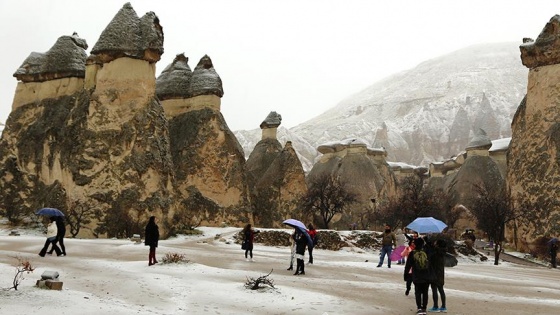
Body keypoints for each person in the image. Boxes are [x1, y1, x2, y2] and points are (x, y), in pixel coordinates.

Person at [404, 237, 433, 315]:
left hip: (417, 275)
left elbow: (408, 266)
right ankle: (424, 308)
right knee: (425, 292)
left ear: (415, 244)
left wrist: (406, 275)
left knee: (418, 292)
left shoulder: (412, 253)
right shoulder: (426, 252)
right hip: (426, 275)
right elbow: (430, 263)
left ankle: (419, 308)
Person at [428, 239, 447, 313]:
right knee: (441, 290)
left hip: (434, 273)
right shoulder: (443, 252)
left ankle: (435, 306)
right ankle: (443, 306)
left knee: (434, 289)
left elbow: (430, 260)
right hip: (441, 273)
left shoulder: (435, 253)